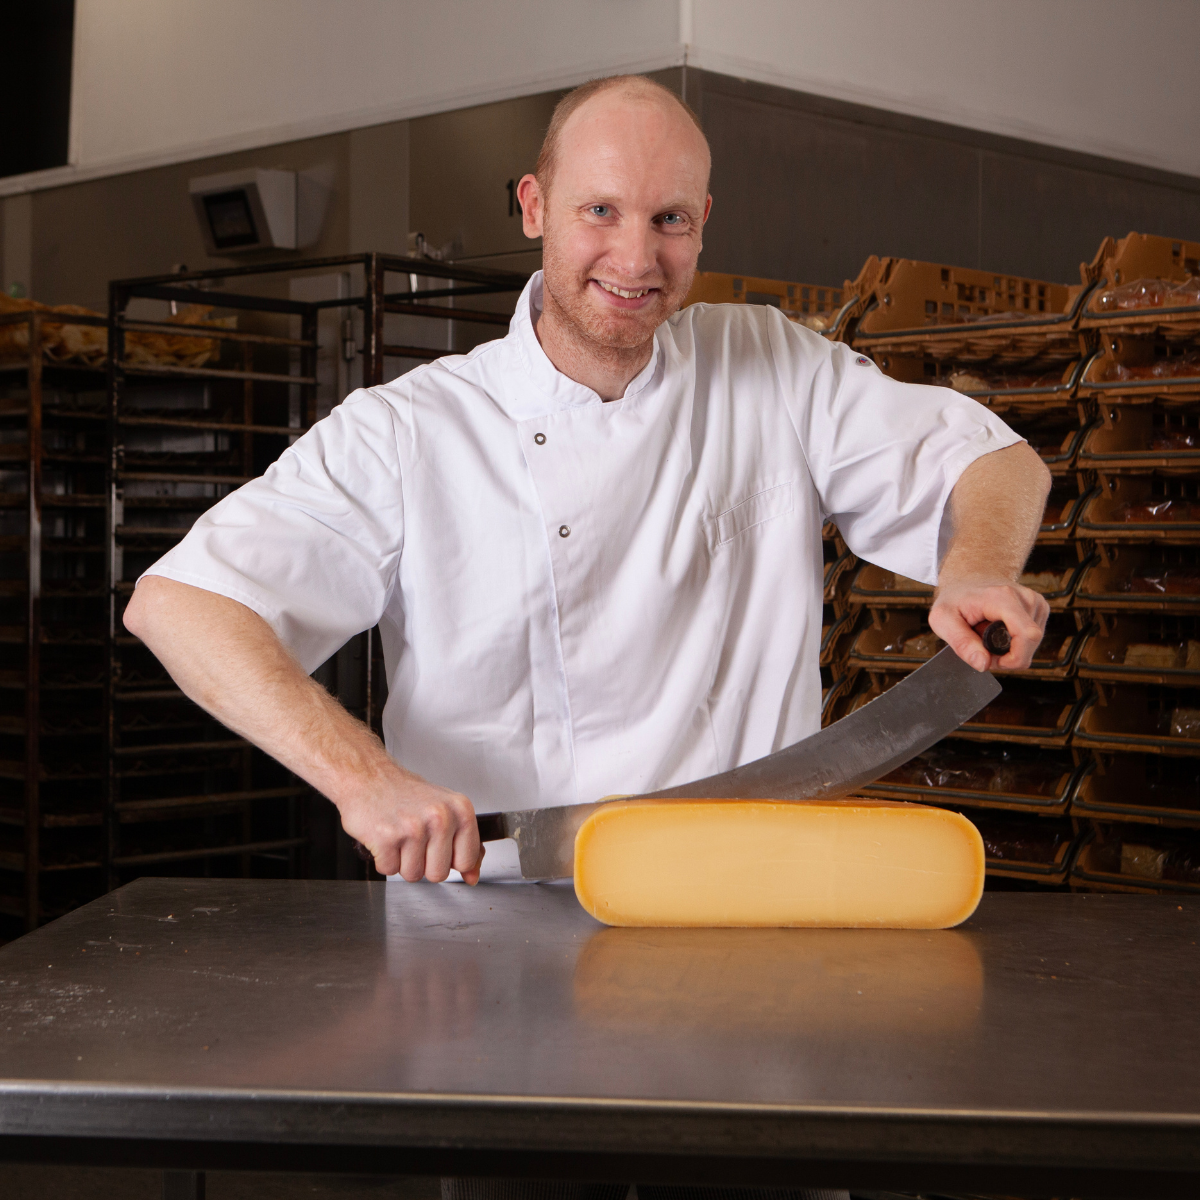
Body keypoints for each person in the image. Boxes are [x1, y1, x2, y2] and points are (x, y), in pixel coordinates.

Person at [124, 73, 1049, 1200]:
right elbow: (184, 602)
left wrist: (975, 564)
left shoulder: (769, 365)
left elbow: (990, 460)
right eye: (600, 210)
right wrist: (363, 780)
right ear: (534, 206)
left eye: (670, 219)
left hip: (744, 922)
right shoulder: (412, 431)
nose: (636, 256)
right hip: (490, 945)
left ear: (705, 223)